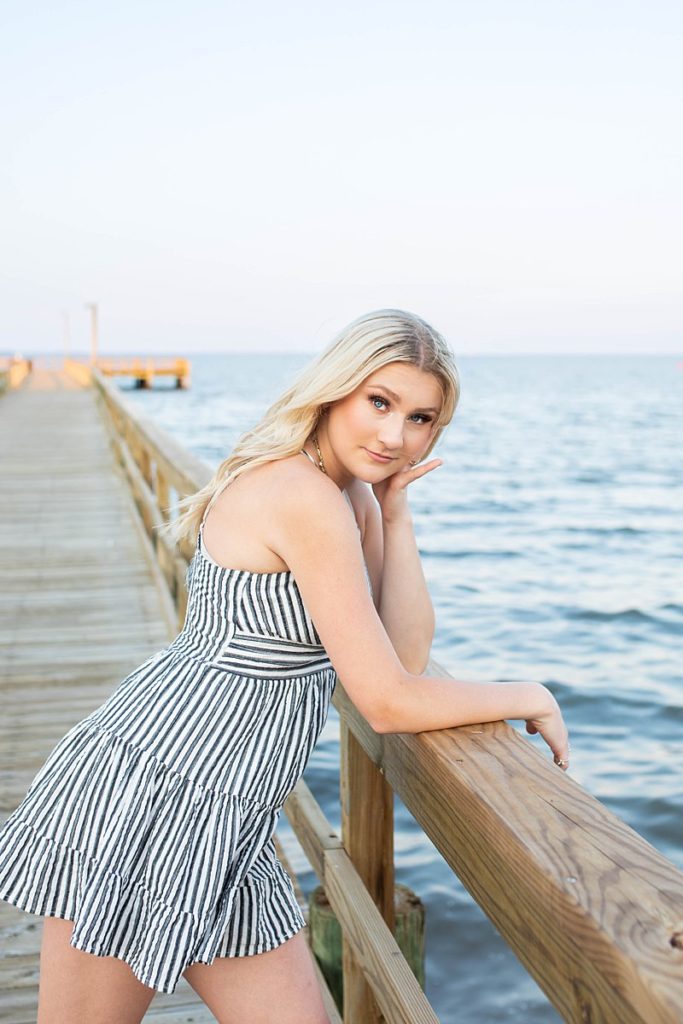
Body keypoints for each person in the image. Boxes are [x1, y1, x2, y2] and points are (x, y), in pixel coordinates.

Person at [0, 309, 569, 1024]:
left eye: (420, 418)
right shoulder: (302, 495)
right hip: (153, 794)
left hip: (229, 818)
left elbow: (403, 657)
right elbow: (387, 699)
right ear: (334, 391)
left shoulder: (348, 494)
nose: (396, 436)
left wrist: (394, 516)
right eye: (379, 403)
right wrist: (527, 694)